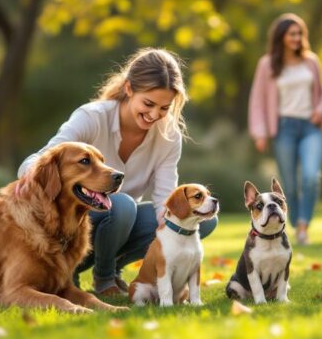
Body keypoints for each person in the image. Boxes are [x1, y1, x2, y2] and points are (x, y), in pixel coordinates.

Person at [18, 48, 217, 296]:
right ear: (129, 89)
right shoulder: (92, 117)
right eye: (148, 104)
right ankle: (89, 275)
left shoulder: (168, 136)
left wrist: (178, 227)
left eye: (164, 108)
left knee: (198, 218)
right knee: (122, 205)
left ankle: (110, 272)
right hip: (73, 223)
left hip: (117, 227)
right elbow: (42, 158)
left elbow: (164, 201)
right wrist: (30, 178)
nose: (155, 115)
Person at [248, 13, 322, 245]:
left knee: (311, 176)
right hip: (283, 127)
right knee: (289, 183)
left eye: (300, 33)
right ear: (281, 36)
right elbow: (257, 99)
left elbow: (321, 94)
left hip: (311, 126)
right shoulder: (267, 64)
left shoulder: (311, 61)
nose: (297, 37)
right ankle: (293, 224)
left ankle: (303, 226)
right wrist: (260, 132)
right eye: (292, 33)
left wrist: (320, 111)